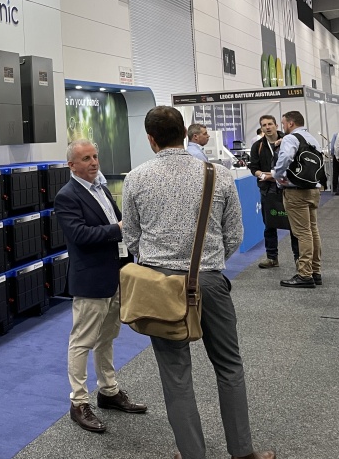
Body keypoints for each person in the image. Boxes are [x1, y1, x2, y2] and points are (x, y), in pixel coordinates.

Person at [122, 106, 274, 459]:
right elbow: (234, 234)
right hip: (210, 282)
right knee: (229, 366)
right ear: (184, 133)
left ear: (151, 139)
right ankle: (243, 452)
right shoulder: (217, 175)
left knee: (176, 376)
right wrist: (208, 265)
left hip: (160, 287)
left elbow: (131, 238)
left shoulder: (136, 178)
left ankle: (192, 454)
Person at [55, 139, 146, 433]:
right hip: (91, 280)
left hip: (115, 275)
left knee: (107, 338)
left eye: (95, 156)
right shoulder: (67, 196)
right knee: (82, 342)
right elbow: (80, 235)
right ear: (72, 165)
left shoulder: (102, 189)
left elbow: (118, 223)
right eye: (86, 158)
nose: (94, 162)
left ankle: (108, 391)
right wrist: (118, 229)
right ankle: (78, 402)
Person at [271, 110, 323, 288]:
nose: (283, 126)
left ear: (291, 123)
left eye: (283, 123)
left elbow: (286, 157)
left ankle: (305, 275)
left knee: (302, 233)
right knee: (312, 230)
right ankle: (315, 271)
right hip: (313, 189)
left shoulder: (290, 138)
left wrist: (277, 174)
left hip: (296, 192)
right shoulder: (312, 139)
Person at [248, 115, 299, 269]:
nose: (267, 127)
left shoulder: (289, 141)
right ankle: (272, 257)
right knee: (269, 225)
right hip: (267, 189)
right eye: (264, 125)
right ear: (261, 128)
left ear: (276, 125)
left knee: (294, 225)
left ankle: (298, 259)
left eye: (270, 124)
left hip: (288, 188)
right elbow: (254, 168)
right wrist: (263, 175)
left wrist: (275, 175)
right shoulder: (257, 146)